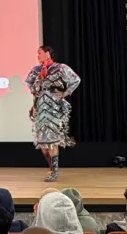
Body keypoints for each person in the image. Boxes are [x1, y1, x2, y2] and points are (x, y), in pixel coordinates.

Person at [25, 46, 81, 182]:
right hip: (40, 107)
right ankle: (51, 168)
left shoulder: (60, 68)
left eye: (40, 53)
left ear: (48, 54)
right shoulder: (36, 70)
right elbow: (31, 86)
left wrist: (65, 93)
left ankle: (54, 171)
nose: (38, 55)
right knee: (43, 144)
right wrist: (34, 105)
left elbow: (75, 80)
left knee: (52, 141)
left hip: (54, 107)